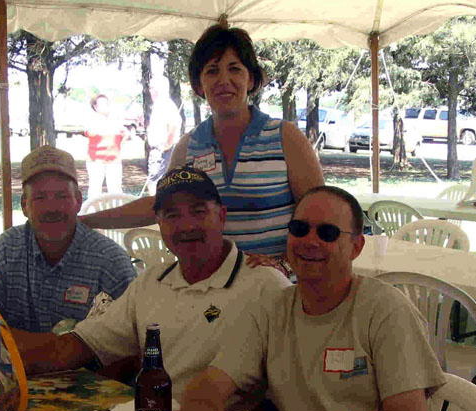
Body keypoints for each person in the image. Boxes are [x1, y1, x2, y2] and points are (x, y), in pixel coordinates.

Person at [175, 186, 451, 411]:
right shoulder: (271, 308)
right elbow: (209, 384)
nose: (310, 241)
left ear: (356, 247)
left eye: (328, 233)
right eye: (300, 228)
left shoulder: (385, 309)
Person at [12, 166, 291, 406]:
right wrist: (6, 372)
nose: (186, 226)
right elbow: (80, 344)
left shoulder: (264, 284)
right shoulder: (150, 282)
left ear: (221, 215)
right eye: (171, 215)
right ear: (158, 222)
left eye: (198, 211)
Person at [80, 23, 323, 265]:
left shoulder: (285, 137)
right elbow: (158, 205)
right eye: (212, 71)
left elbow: (318, 213)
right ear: (199, 85)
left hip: (277, 287)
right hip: (213, 287)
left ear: (250, 79)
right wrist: (84, 221)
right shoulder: (188, 146)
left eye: (235, 69)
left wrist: (282, 263)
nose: (224, 80)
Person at [0, 145, 136, 333]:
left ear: (78, 201)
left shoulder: (110, 262)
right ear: (24, 205)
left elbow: (132, 337)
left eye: (61, 196)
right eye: (40, 198)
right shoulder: (3, 252)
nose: (51, 208)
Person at [84, 93, 127, 199]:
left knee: (116, 190)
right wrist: (106, 125)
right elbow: (90, 132)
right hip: (95, 161)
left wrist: (124, 133)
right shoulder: (92, 119)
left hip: (114, 160)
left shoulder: (115, 119)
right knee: (95, 190)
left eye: (106, 103)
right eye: (101, 104)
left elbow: (124, 135)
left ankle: (117, 213)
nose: (105, 106)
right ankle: (92, 214)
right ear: (95, 107)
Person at [146, 79, 182, 195]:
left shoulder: (163, 104)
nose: (150, 91)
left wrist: (167, 144)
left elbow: (174, 125)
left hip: (162, 151)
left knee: (155, 182)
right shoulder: (165, 104)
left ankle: (155, 210)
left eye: (152, 88)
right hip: (163, 150)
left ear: (157, 89)